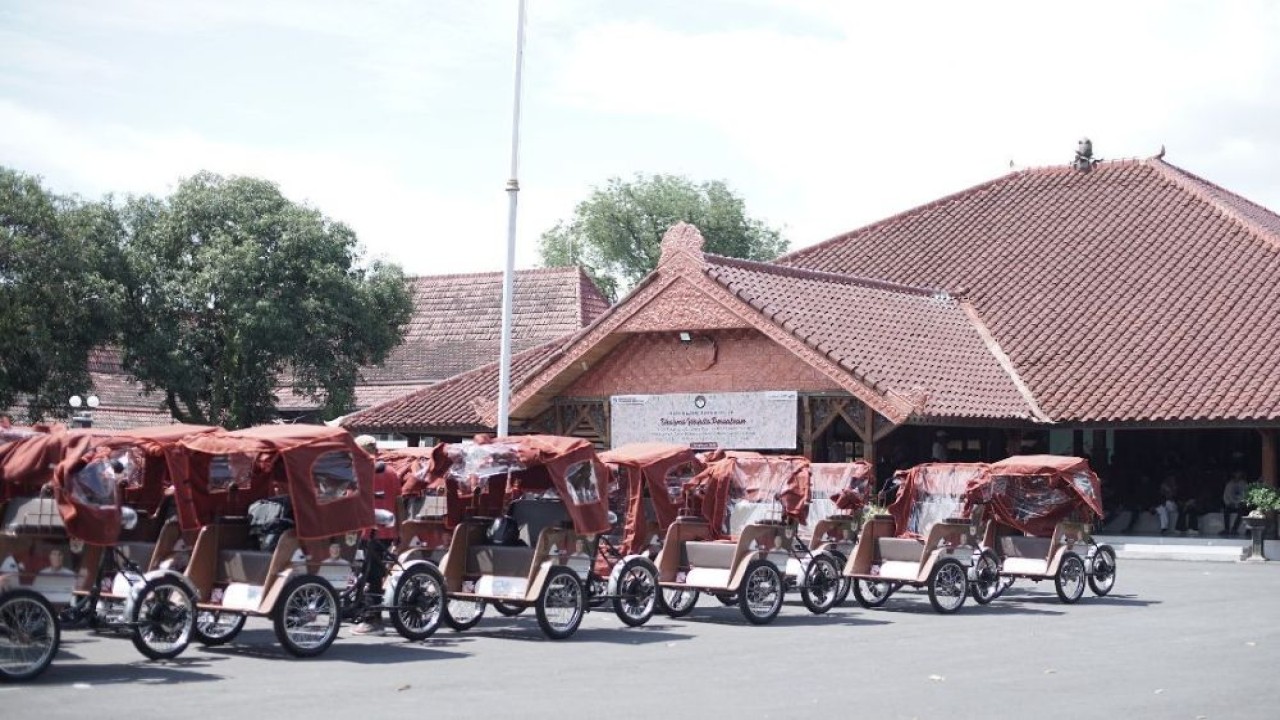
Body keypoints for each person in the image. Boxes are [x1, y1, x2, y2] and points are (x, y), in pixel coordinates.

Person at [352, 434, 400, 636]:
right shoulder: (391, 472)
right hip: (386, 530)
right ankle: (364, 610)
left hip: (369, 532)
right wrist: (400, 532)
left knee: (371, 574)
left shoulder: (362, 472)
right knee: (370, 573)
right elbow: (400, 503)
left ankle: (374, 620)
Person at [1221, 470, 1249, 536]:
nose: (1237, 474)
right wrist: (1229, 503)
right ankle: (1226, 529)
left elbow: (1247, 495)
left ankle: (1234, 529)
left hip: (1241, 505)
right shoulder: (1229, 484)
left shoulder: (1244, 484)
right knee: (1226, 511)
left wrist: (1242, 503)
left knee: (1242, 512)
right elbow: (1225, 495)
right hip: (1231, 505)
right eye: (1236, 473)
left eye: (1239, 473)